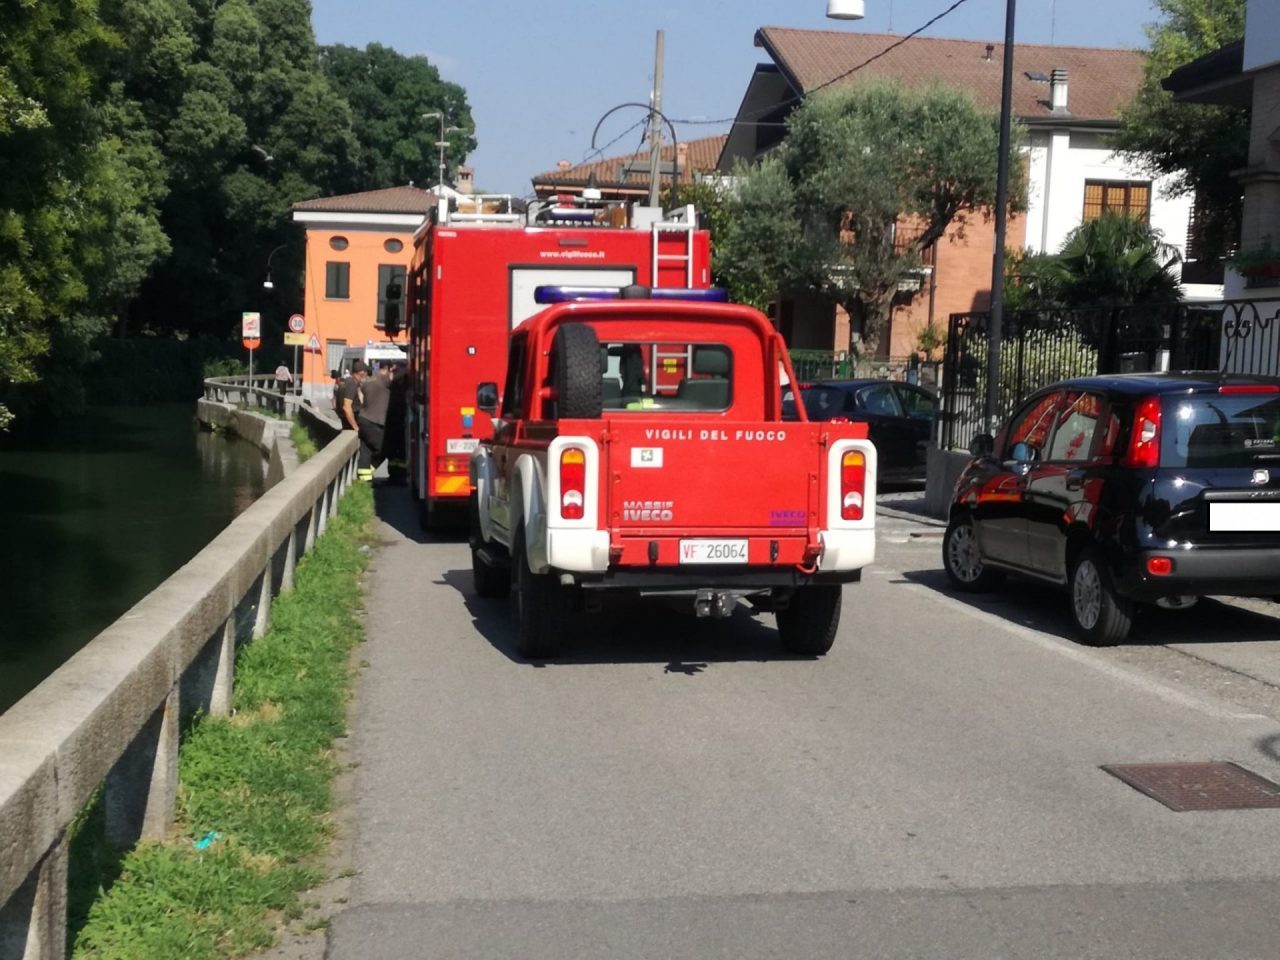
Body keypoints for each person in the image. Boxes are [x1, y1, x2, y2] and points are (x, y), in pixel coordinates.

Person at [356, 361, 393, 482]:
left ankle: (363, 477)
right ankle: (380, 476)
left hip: (363, 418)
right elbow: (399, 375)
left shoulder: (369, 380)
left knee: (366, 449)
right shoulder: (384, 379)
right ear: (387, 368)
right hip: (375, 421)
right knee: (382, 449)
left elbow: (361, 395)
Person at [338, 361, 367, 444]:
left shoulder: (347, 381)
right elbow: (347, 407)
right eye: (366, 372)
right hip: (351, 421)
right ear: (361, 373)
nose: (367, 374)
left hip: (346, 420)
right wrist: (355, 427)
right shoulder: (352, 384)